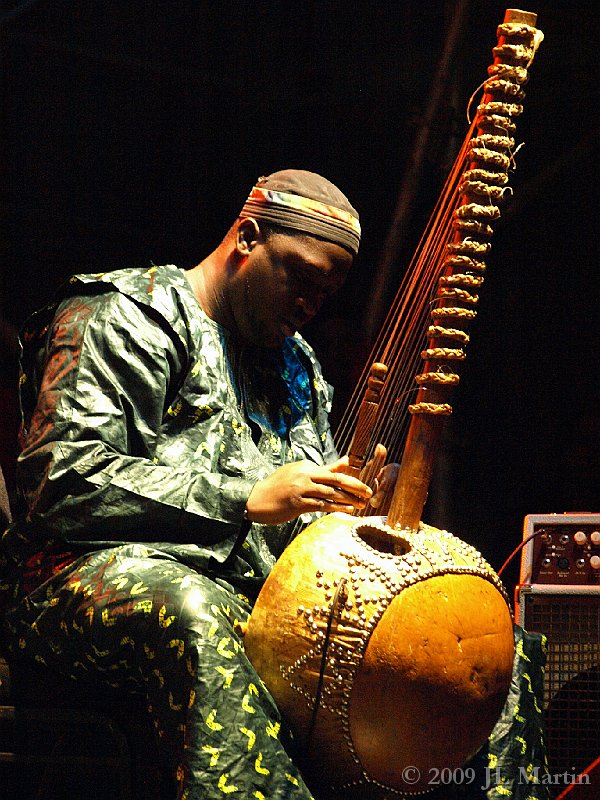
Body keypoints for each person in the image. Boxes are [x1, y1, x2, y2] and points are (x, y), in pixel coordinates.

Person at [0, 169, 397, 799]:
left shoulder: (298, 366)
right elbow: (61, 483)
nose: (310, 305)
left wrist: (352, 510)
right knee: (195, 609)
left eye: (328, 294)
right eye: (302, 277)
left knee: (448, 643)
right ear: (248, 237)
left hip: (254, 599)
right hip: (69, 581)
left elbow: (301, 520)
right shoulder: (127, 316)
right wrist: (243, 496)